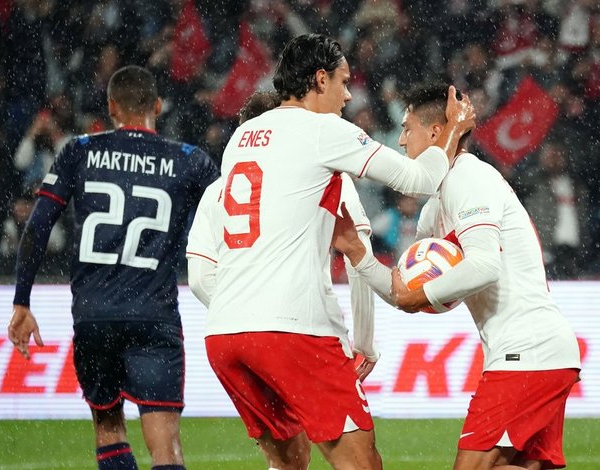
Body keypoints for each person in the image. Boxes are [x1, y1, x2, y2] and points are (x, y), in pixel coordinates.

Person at [201, 34, 475, 470]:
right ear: (320, 79)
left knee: (289, 463)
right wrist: (455, 130)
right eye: (344, 82)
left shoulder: (242, 136)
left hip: (225, 333)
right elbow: (418, 181)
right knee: (361, 464)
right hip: (292, 328)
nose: (348, 96)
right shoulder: (323, 131)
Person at [332, 82, 581, 470]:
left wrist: (419, 296)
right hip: (530, 353)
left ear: (436, 133)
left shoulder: (469, 178)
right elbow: (404, 290)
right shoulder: (436, 205)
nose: (401, 140)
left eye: (407, 128)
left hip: (527, 352)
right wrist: (358, 254)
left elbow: (484, 266)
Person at [7, 65, 220, 470]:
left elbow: (38, 225)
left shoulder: (79, 151)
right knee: (166, 448)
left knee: (108, 429)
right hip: (153, 315)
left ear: (111, 108)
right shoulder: (188, 160)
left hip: (95, 315)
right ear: (157, 106)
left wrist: (22, 301)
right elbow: (233, 218)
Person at [187, 90, 380, 383]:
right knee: (340, 416)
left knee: (274, 417)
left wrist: (245, 317)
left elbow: (200, 278)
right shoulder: (324, 177)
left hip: (233, 338)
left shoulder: (216, 191)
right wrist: (365, 344)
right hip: (306, 329)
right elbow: (358, 255)